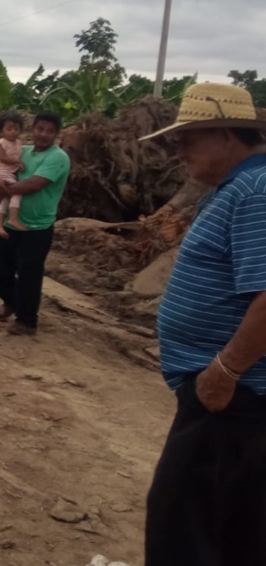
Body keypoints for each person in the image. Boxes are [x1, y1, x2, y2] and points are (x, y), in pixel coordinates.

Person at [139, 82, 266, 564]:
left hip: (233, 397)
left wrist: (224, 373)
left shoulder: (257, 190)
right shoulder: (238, 188)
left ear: (228, 135)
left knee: (181, 526)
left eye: (188, 138)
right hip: (232, 394)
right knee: (231, 525)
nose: (178, 150)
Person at [0, 112, 70, 336]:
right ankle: (11, 301)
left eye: (49, 131)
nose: (43, 134)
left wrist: (5, 189)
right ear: (33, 129)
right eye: (40, 129)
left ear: (56, 134)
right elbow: (2, 172)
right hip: (10, 224)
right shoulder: (25, 152)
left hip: (36, 228)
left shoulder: (58, 157)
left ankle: (26, 320)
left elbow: (35, 184)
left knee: (29, 274)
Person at [0, 111, 26, 238]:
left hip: (10, 175)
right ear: (1, 131)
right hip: (3, 174)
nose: (13, 132)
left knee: (5, 199)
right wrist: (18, 162)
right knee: (17, 191)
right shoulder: (1, 143)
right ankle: (13, 219)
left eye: (16, 129)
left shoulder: (18, 143)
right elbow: (3, 158)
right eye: (9, 129)